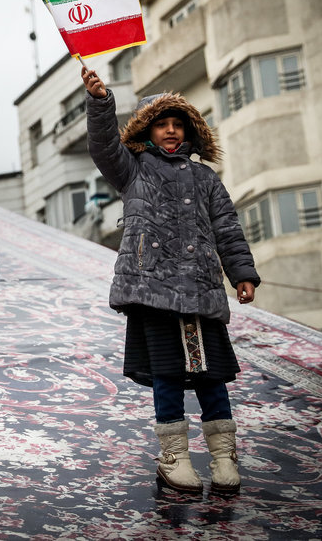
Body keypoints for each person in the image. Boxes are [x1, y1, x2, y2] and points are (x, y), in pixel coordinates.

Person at [83, 66, 260, 494]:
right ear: (146, 131)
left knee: (210, 375)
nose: (171, 131)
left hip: (201, 291)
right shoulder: (133, 170)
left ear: (190, 132)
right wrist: (101, 102)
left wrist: (241, 273)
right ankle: (174, 456)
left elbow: (226, 228)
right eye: (161, 123)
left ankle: (223, 455)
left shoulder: (205, 178)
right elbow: (104, 146)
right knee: (166, 375)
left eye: (178, 123)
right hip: (152, 292)